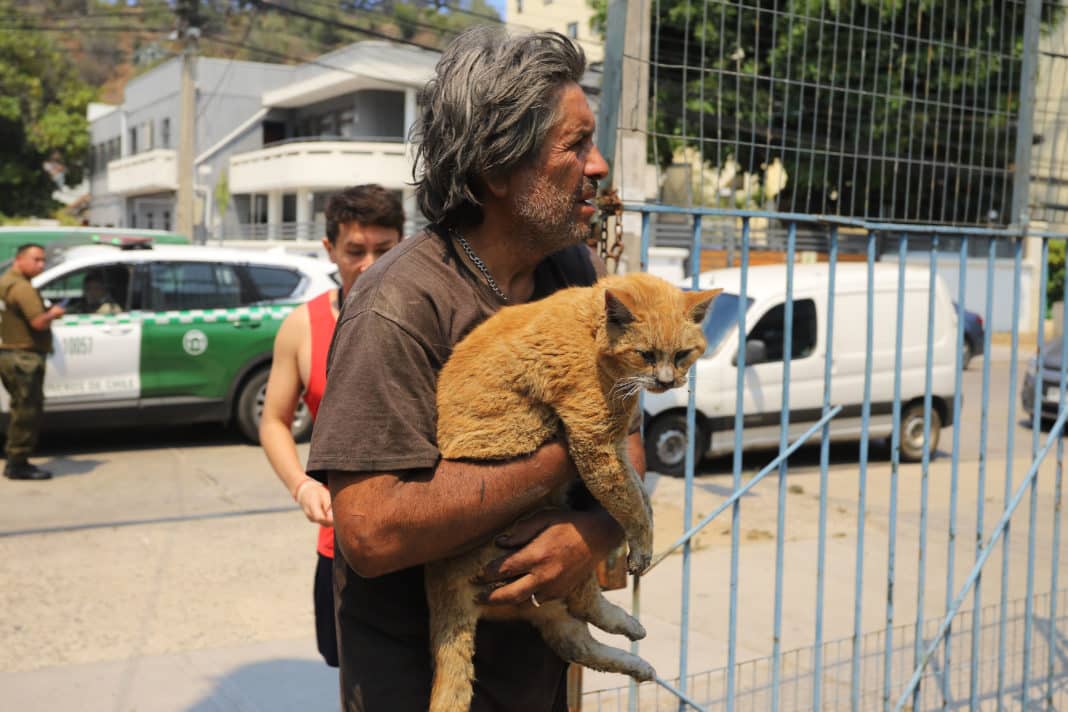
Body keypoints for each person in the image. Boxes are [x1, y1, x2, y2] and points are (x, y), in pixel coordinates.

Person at [306, 28, 645, 711]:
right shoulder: (398, 305)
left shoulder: (572, 271)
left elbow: (628, 433)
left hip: (538, 679)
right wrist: (566, 457)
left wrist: (595, 532)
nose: (599, 165)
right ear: (497, 169)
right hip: (422, 687)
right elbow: (370, 532)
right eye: (576, 144)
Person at [260, 185, 404, 668]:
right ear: (329, 250)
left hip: (425, 534)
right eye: (354, 251)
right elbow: (275, 420)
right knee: (353, 673)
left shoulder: (425, 318)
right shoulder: (303, 325)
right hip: (341, 542)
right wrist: (301, 485)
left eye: (384, 251)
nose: (369, 264)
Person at [0, 243, 65, 481]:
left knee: (20, 407)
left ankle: (15, 457)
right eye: (36, 260)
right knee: (27, 409)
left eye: (43, 260)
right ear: (20, 259)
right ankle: (18, 462)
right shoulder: (22, 288)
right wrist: (54, 313)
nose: (41, 265)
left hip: (10, 353)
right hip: (24, 357)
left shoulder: (5, 281)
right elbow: (38, 322)